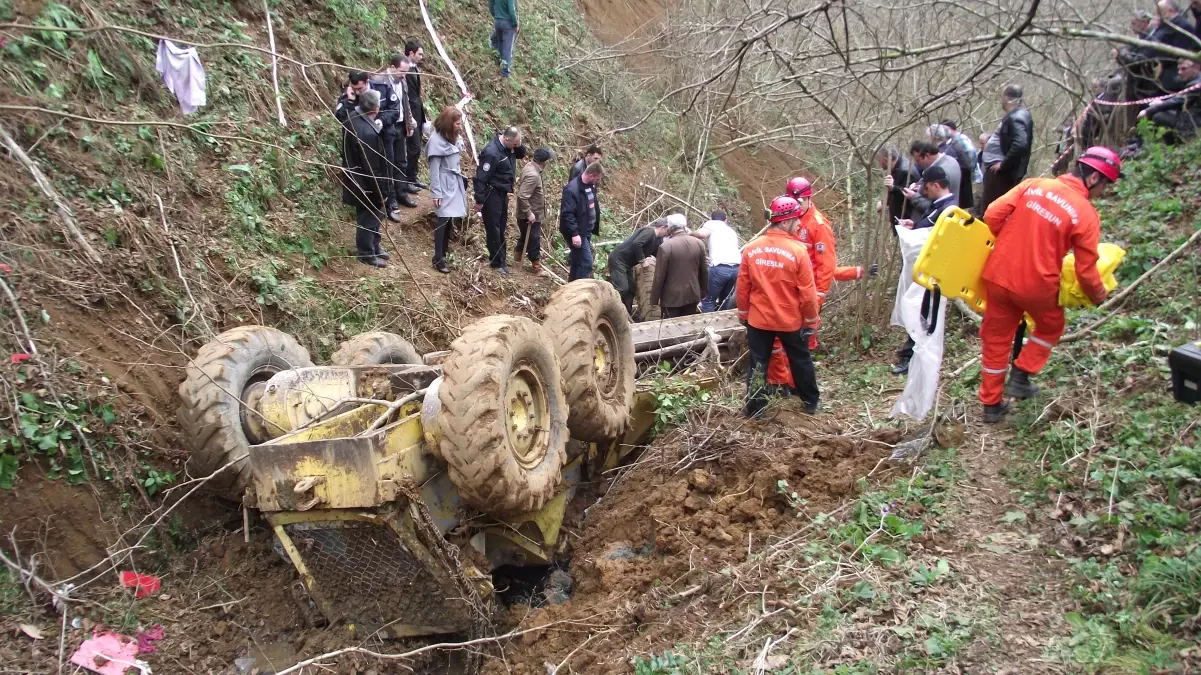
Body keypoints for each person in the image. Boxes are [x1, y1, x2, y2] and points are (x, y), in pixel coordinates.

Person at [977, 147, 1120, 423]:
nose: (1104, 191)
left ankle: (991, 407)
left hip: (998, 273)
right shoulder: (1086, 214)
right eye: (1106, 185)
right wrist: (1098, 294)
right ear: (1093, 179)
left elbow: (993, 214)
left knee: (995, 339)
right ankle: (1021, 374)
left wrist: (1009, 241)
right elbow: (1086, 269)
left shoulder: (1034, 184)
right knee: (1051, 325)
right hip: (1037, 285)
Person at [737, 195, 822, 418]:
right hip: (789, 320)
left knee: (758, 363)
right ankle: (810, 402)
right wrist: (811, 322)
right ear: (785, 221)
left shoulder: (752, 249)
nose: (799, 223)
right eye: (796, 220)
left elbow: (743, 287)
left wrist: (743, 314)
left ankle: (755, 408)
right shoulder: (798, 251)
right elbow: (807, 294)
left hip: (759, 319)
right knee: (800, 359)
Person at [340, 89, 388, 268]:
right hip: (365, 183)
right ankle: (366, 253)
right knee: (368, 217)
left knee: (374, 216)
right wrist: (380, 191)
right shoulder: (367, 133)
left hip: (355, 177)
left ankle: (375, 246)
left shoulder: (351, 117)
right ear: (375, 109)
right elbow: (372, 168)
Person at [474, 126, 527, 274]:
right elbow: (480, 178)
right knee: (493, 227)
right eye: (515, 144)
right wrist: (479, 199)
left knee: (501, 226)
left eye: (518, 143)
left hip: (503, 193)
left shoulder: (509, 147)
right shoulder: (492, 152)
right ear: (506, 139)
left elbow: (521, 154)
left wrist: (518, 144)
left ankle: (501, 260)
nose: (516, 147)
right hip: (491, 193)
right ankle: (496, 262)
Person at [371, 55, 417, 218]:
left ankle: (401, 193)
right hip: (386, 127)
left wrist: (409, 122)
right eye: (401, 71)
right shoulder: (378, 82)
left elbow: (406, 103)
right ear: (392, 67)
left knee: (401, 161)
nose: (403, 75)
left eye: (406, 72)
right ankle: (390, 201)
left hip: (400, 125)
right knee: (388, 165)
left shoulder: (402, 80)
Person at [979, 84, 1033, 215]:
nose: (1001, 101)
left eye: (1002, 97)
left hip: (1000, 174)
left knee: (990, 208)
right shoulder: (1016, 115)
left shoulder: (1017, 118)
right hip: (999, 171)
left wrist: (1003, 165)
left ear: (1007, 98)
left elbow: (1020, 144)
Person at [426, 106, 468, 274]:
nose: (460, 126)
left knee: (450, 219)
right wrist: (436, 192)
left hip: (453, 182)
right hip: (444, 185)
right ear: (449, 123)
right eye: (457, 123)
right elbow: (434, 170)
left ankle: (444, 251)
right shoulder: (436, 142)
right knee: (442, 221)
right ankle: (437, 258)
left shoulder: (452, 136)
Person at [609, 219, 669, 316]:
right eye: (667, 231)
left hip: (627, 264)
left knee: (631, 290)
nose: (667, 234)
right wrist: (642, 260)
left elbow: (659, 254)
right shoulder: (649, 232)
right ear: (663, 228)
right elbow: (637, 244)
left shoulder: (657, 240)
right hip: (618, 260)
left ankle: (626, 315)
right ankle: (611, 311)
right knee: (622, 288)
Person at [650, 218, 708, 318]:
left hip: (671, 298)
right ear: (684, 227)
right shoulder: (699, 243)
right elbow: (704, 271)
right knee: (688, 326)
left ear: (669, 228)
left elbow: (659, 276)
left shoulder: (665, 247)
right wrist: (703, 292)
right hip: (692, 294)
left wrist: (654, 299)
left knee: (670, 329)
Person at [690, 209, 741, 311]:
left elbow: (701, 234)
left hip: (720, 268)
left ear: (711, 219)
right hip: (736, 268)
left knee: (709, 300)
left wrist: (688, 234)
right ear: (726, 220)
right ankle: (723, 323)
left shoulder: (712, 224)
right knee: (726, 299)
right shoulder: (731, 231)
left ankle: (709, 326)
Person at [559, 162, 603, 280]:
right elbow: (567, 214)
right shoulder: (572, 189)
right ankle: (579, 291)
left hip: (586, 230)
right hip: (577, 232)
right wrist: (575, 234)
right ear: (591, 176)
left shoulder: (590, 186)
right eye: (597, 179)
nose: (598, 181)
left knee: (577, 262)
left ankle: (571, 288)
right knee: (586, 264)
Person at [1138, 58, 1201, 140]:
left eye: (1184, 69)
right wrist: (1161, 102)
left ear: (1196, 67)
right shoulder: (1193, 80)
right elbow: (1178, 97)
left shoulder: (1195, 84)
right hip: (1190, 117)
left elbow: (1178, 101)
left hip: (1194, 124)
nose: (1179, 72)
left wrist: (1148, 111)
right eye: (1179, 69)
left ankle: (1175, 145)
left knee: (1158, 116)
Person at [515, 147, 554, 273]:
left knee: (525, 236)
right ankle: (536, 267)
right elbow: (522, 195)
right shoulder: (533, 175)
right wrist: (529, 213)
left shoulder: (530, 167)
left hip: (527, 213)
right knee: (534, 239)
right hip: (530, 215)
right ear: (544, 162)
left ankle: (517, 258)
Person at [903, 140, 962, 216]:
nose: (916, 163)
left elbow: (936, 207)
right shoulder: (951, 160)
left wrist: (914, 197)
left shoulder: (941, 172)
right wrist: (921, 186)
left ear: (927, 156)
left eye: (918, 160)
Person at [927, 124, 974, 211]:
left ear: (934, 137)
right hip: (960, 195)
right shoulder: (952, 146)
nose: (927, 140)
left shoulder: (944, 153)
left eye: (928, 137)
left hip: (956, 198)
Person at [403, 40, 429, 192]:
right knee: (413, 148)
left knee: (416, 148)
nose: (421, 57)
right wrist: (410, 117)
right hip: (410, 114)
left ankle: (413, 177)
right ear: (411, 53)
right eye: (419, 54)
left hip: (417, 114)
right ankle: (407, 180)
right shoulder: (405, 71)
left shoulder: (414, 69)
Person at [896, 165, 956, 232]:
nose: (924, 192)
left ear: (936, 186)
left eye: (926, 188)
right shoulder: (939, 205)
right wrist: (914, 226)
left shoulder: (948, 211)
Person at [876, 144, 919, 224]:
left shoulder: (905, 171)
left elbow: (907, 194)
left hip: (906, 220)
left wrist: (893, 187)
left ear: (885, 159)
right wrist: (884, 202)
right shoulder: (897, 165)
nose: (879, 163)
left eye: (879, 160)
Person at [940, 120, 984, 186]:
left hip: (973, 179)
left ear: (949, 129)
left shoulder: (960, 139)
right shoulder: (953, 140)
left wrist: (970, 169)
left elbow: (971, 151)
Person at [489, 0, 519, 78]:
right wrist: (515, 24)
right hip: (508, 23)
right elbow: (512, 10)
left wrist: (495, 15)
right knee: (507, 48)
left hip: (497, 21)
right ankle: (505, 71)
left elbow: (491, 4)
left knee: (500, 43)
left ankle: (499, 61)